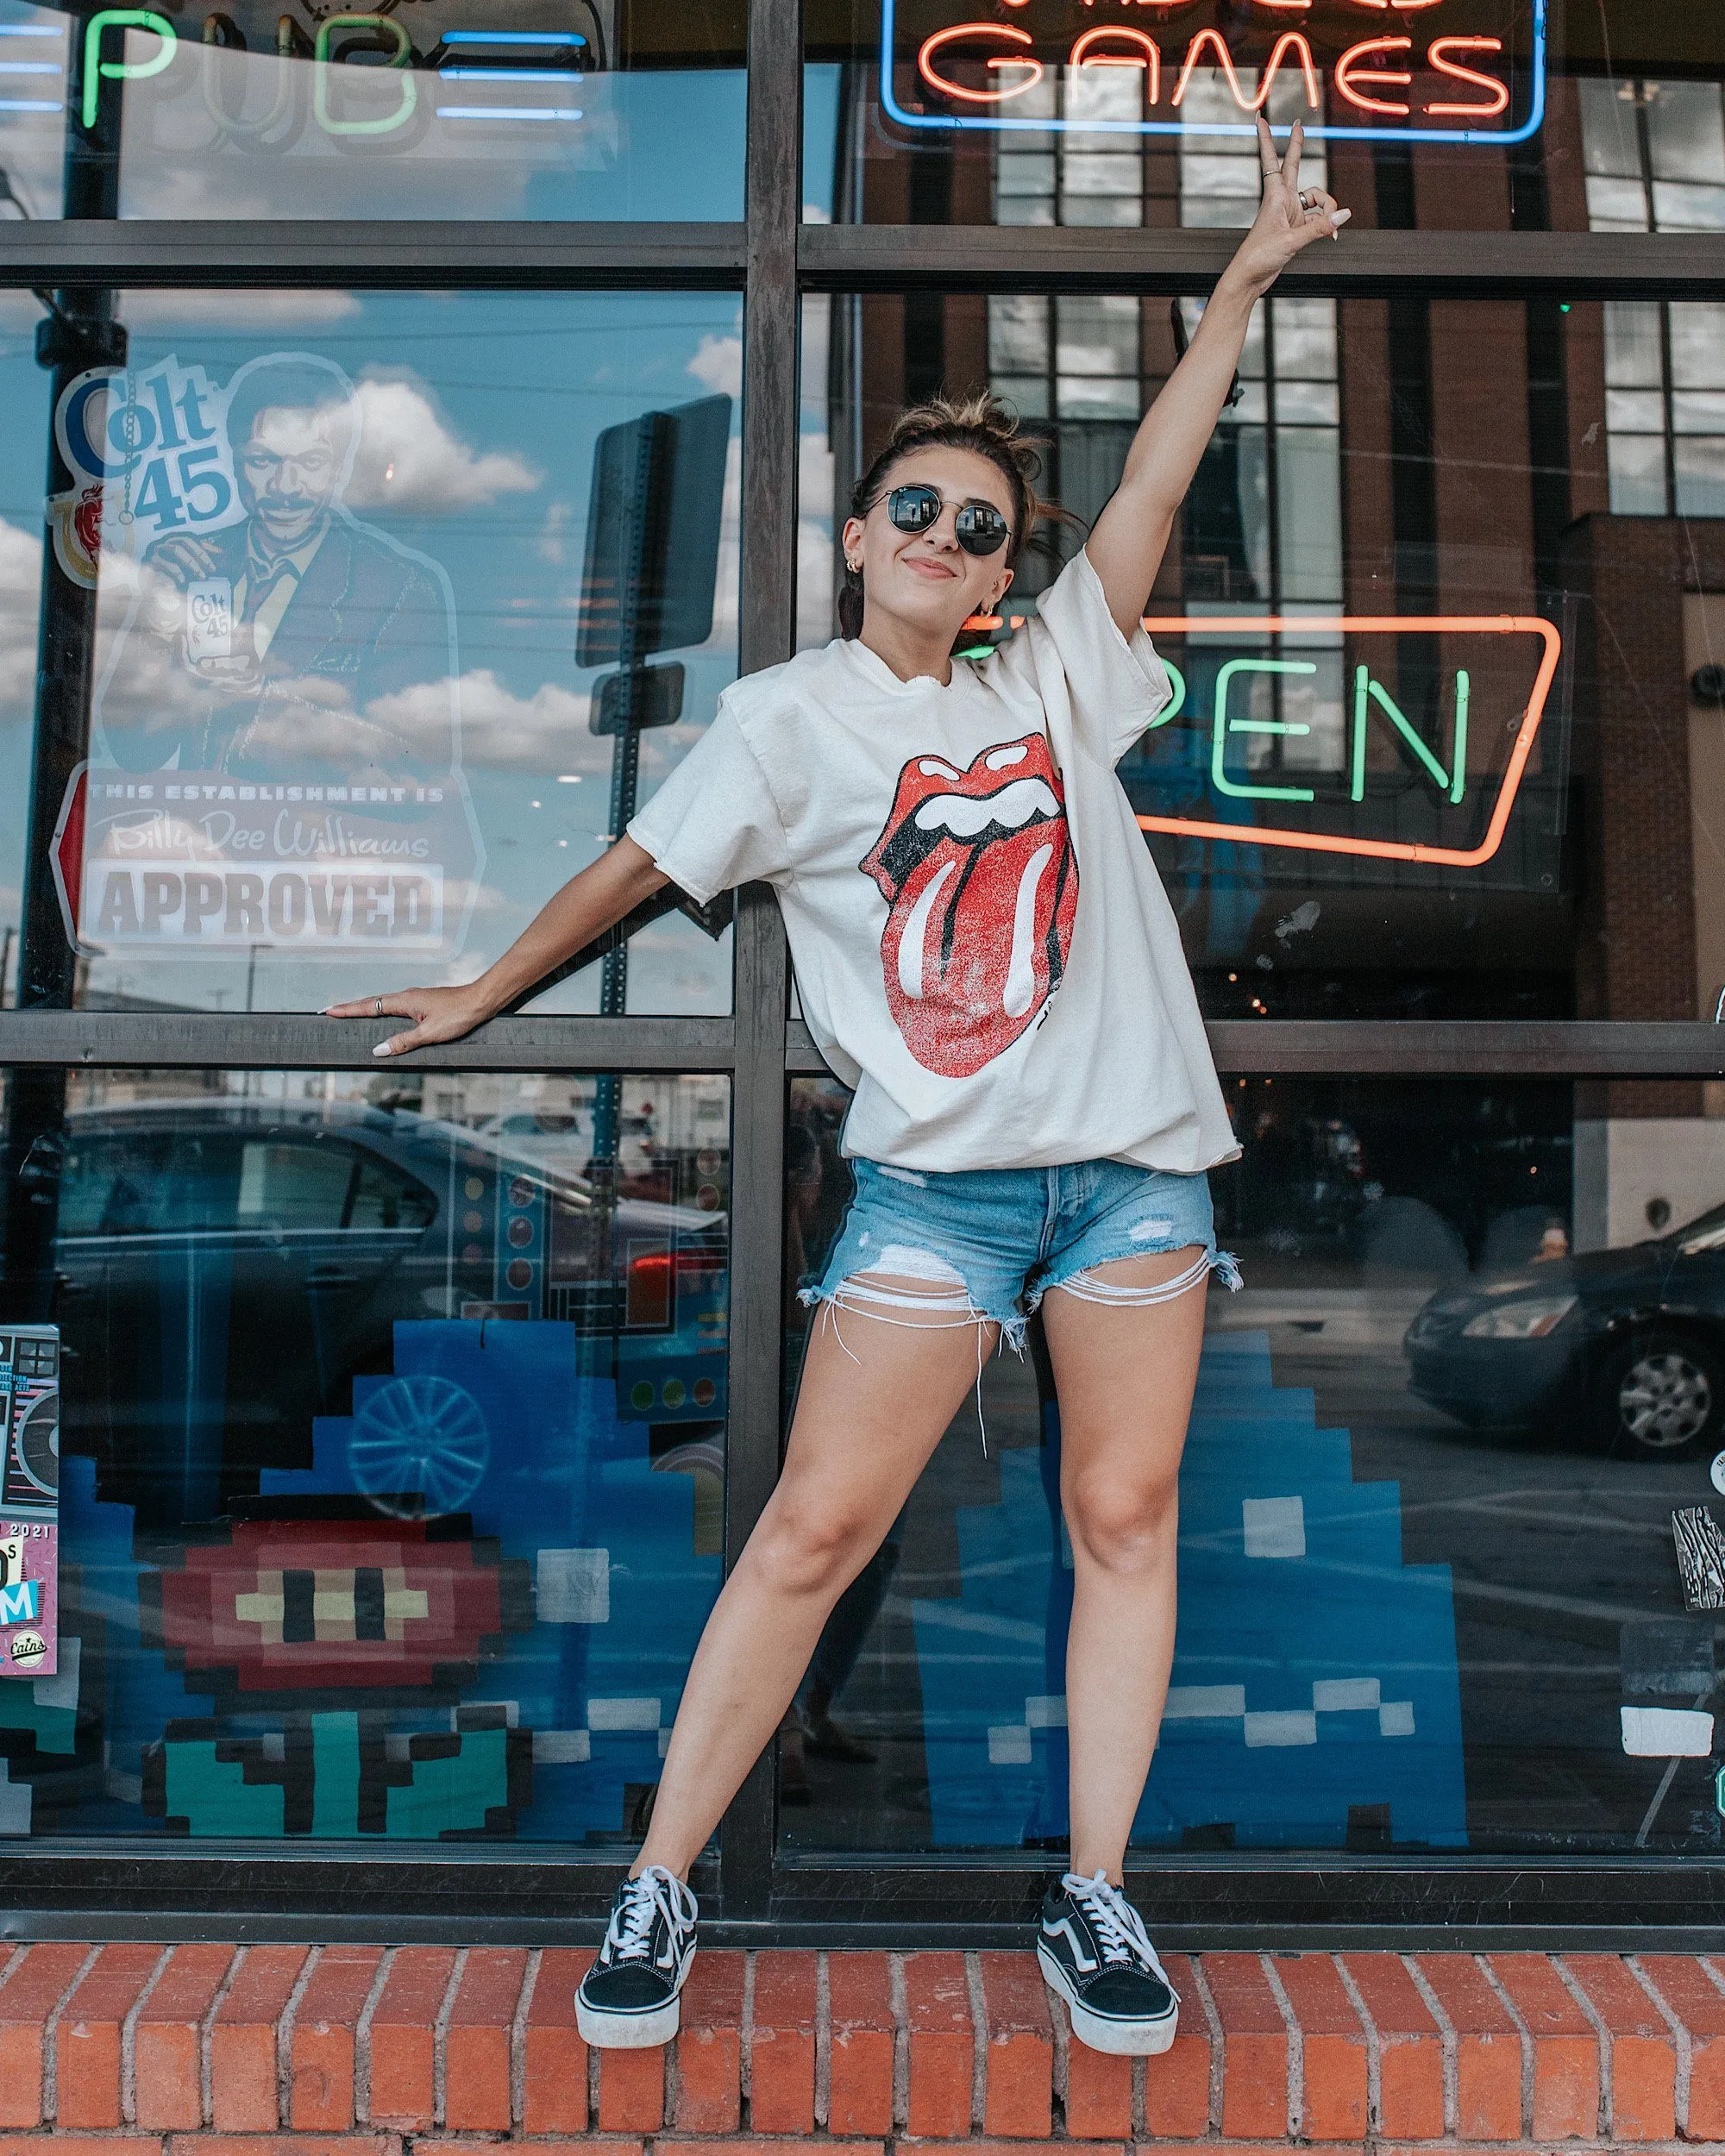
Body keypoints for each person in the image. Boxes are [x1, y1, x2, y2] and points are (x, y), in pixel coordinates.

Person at [331, 123, 1348, 2059]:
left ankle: (1097, 1892)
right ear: (859, 527)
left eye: (984, 526)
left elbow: (1159, 469)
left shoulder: (1056, 675)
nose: (955, 543)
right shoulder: (786, 719)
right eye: (921, 510)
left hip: (1132, 1180)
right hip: (941, 1195)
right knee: (805, 1534)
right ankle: (659, 1876)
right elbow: (638, 863)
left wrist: (1242, 280)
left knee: (1123, 1522)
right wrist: (487, 980)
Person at [106, 356, 454, 782]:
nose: (286, 487)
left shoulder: (399, 590)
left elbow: (417, 771)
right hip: (190, 841)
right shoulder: (189, 565)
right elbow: (132, 750)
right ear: (234, 462)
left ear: (342, 467)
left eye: (310, 463)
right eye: (263, 461)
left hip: (323, 844)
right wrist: (156, 618)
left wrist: (263, 698)